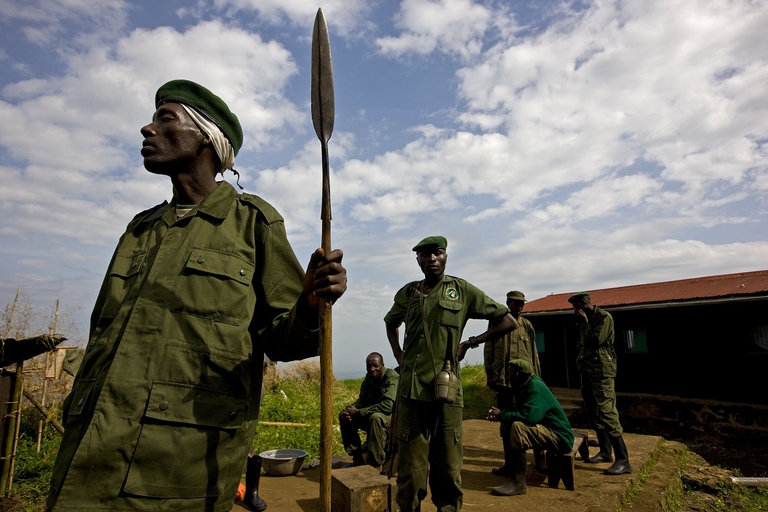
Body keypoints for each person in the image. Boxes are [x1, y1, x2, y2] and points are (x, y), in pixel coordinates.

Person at [46, 79, 347, 511]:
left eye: (164, 119)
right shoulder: (139, 230)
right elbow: (101, 333)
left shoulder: (253, 224)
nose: (147, 129)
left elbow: (285, 340)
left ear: (206, 137)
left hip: (178, 472)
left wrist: (312, 306)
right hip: (86, 462)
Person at [384, 235, 517, 512]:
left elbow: (507, 320)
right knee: (409, 467)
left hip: (447, 391)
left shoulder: (461, 290)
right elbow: (390, 322)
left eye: (437, 253)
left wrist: (471, 342)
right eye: (425, 255)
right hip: (411, 391)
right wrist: (398, 354)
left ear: (445, 256)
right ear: (417, 260)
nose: (431, 259)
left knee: (448, 465)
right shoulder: (408, 293)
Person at [485, 359, 574, 496]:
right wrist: (501, 415)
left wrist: (503, 414)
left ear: (519, 374)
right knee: (508, 423)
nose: (508, 377)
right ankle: (510, 466)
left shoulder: (535, 388)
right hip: (548, 431)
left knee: (518, 427)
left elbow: (529, 417)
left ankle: (518, 483)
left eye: (511, 373)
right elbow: (518, 410)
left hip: (560, 437)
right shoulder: (524, 385)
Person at [568, 292, 631, 476]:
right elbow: (582, 344)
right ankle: (605, 451)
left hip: (602, 371)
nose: (577, 310)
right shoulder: (583, 321)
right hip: (587, 370)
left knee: (607, 411)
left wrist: (585, 322)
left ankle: (623, 460)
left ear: (587, 302)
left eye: (579, 306)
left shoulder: (604, 317)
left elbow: (595, 340)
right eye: (574, 308)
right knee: (593, 410)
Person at [483, 290, 544, 475]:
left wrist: (537, 379)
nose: (519, 306)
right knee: (507, 424)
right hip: (504, 383)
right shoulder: (497, 323)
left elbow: (534, 354)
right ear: (508, 303)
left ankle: (540, 461)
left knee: (533, 420)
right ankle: (509, 464)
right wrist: (490, 375)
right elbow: (489, 350)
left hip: (525, 384)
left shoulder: (527, 325)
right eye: (516, 303)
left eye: (521, 303)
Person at [339, 352, 399, 468]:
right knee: (344, 415)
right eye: (369, 366)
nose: (372, 369)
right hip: (373, 415)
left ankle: (374, 464)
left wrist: (359, 412)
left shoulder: (392, 378)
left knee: (376, 418)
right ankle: (357, 457)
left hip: (393, 419)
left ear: (382, 365)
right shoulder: (369, 378)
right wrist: (352, 409)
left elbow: (388, 406)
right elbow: (362, 401)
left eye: (375, 365)